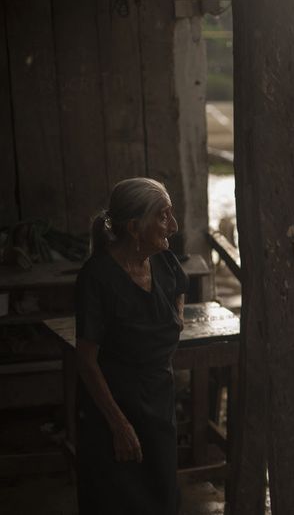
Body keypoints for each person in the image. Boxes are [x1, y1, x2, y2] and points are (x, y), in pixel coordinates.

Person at [75, 178, 187, 514]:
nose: (174, 226)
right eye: (163, 216)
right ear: (135, 227)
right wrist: (118, 424)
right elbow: (86, 361)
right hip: (113, 409)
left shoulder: (165, 262)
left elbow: (180, 289)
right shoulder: (97, 277)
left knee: (162, 496)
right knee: (118, 501)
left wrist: (174, 320)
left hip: (158, 403)